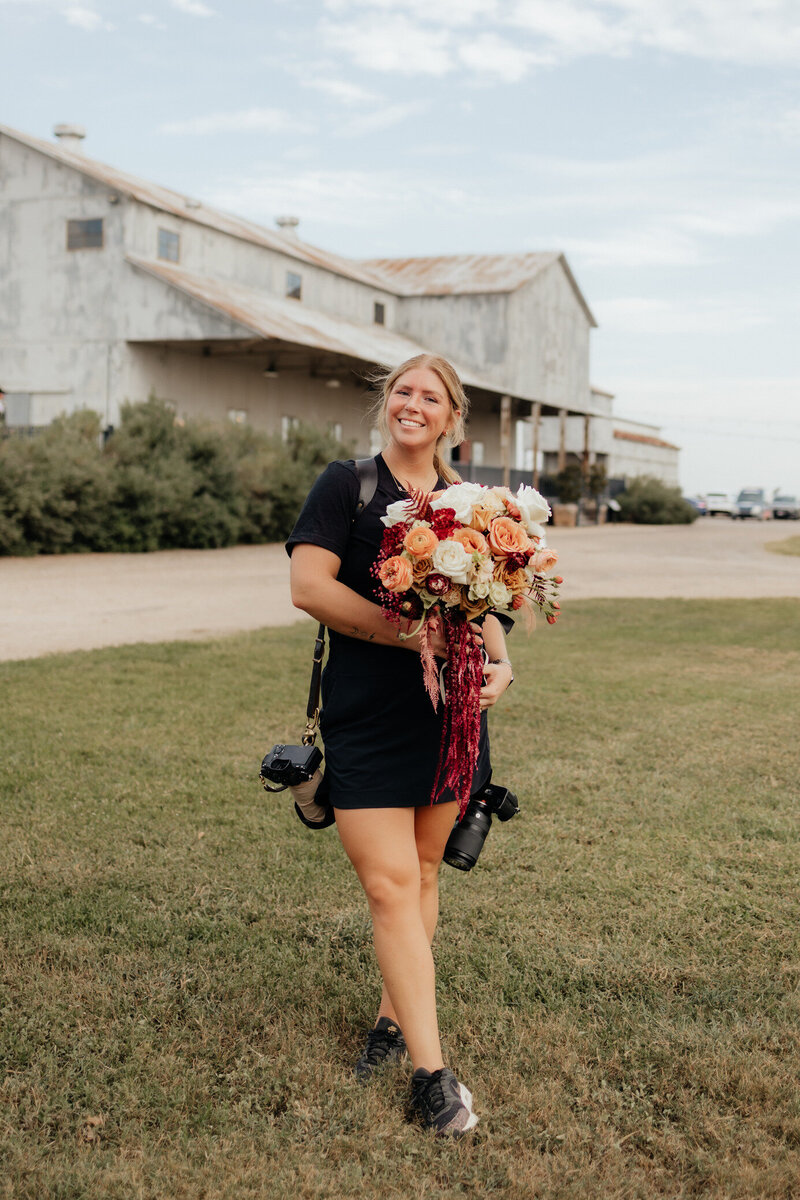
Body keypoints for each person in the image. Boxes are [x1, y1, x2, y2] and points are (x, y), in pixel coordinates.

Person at [286, 354, 514, 1137]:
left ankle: (391, 1020)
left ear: (453, 416)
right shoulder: (346, 485)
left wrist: (501, 660)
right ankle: (432, 1076)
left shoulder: (473, 503)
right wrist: (412, 632)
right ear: (389, 405)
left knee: (420, 873)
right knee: (387, 886)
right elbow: (309, 588)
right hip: (368, 716)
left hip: (449, 721)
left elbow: (490, 602)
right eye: (403, 393)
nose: (414, 405)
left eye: (431, 397)